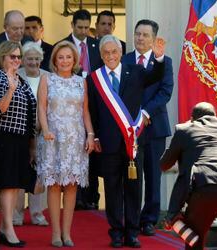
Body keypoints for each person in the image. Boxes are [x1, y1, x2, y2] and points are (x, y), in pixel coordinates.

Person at [87, 34, 165, 248]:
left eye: (114, 52)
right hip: (109, 143)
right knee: (112, 189)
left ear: (121, 53)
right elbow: (92, 110)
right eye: (106, 53)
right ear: (101, 56)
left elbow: (156, 76)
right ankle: (116, 233)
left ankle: (132, 232)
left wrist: (159, 59)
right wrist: (97, 136)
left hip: (133, 143)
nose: (110, 56)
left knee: (133, 188)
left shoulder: (137, 72)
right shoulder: (94, 79)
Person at [160, 102, 217, 250]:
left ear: (192, 118)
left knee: (195, 243)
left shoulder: (184, 129)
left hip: (202, 188)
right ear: (214, 116)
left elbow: (165, 164)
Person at [37, 40, 95, 247]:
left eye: (68, 57)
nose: (64, 61)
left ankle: (67, 234)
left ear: (74, 60)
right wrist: (45, 130)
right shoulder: (47, 80)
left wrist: (90, 135)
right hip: (53, 138)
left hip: (75, 139)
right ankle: (55, 233)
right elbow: (41, 108)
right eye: (60, 57)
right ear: (54, 60)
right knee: (54, 186)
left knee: (71, 186)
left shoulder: (81, 82)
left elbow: (85, 111)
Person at [122, 19, 174, 236]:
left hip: (154, 128)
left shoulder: (164, 61)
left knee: (153, 175)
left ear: (154, 39)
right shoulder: (123, 60)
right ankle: (132, 218)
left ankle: (149, 220)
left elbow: (165, 91)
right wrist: (133, 116)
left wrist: (145, 112)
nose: (140, 38)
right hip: (130, 129)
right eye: (137, 34)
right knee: (133, 176)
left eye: (145, 35)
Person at [57, 9, 103, 210]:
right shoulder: (62, 46)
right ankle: (75, 198)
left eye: (86, 27)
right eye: (80, 27)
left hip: (93, 103)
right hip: (69, 105)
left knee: (90, 148)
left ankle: (91, 196)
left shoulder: (95, 45)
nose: (84, 31)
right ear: (73, 26)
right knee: (72, 149)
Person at [0, 41, 36, 248]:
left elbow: (30, 113)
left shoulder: (23, 80)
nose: (17, 60)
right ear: (3, 58)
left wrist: (32, 145)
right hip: (5, 137)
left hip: (21, 138)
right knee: (8, 184)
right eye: (13, 57)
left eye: (19, 57)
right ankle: (8, 228)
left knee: (15, 185)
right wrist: (10, 90)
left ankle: (4, 227)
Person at [13, 41, 49, 227]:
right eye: (29, 59)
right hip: (20, 132)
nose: (33, 62)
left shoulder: (49, 77)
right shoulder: (15, 76)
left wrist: (43, 125)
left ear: (41, 60)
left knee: (39, 173)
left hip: (43, 133)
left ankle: (37, 214)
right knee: (19, 172)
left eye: (36, 59)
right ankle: (17, 214)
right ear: (22, 61)